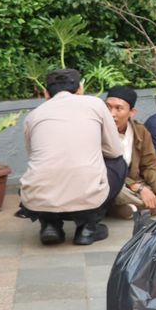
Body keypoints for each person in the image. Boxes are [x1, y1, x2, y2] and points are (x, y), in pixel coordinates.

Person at [18, 68, 126, 246]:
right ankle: (88, 227)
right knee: (118, 163)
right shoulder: (96, 105)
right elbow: (114, 151)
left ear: (46, 93)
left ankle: (49, 225)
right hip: (88, 195)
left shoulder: (33, 115)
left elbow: (33, 156)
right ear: (80, 89)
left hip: (38, 199)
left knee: (41, 170)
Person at [104, 86, 156, 219]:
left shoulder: (140, 131)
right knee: (113, 188)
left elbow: (149, 166)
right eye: (108, 107)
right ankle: (154, 206)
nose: (112, 114)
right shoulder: (99, 131)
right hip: (118, 184)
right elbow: (103, 169)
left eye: (119, 108)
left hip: (139, 183)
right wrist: (139, 189)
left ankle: (135, 207)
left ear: (131, 112)